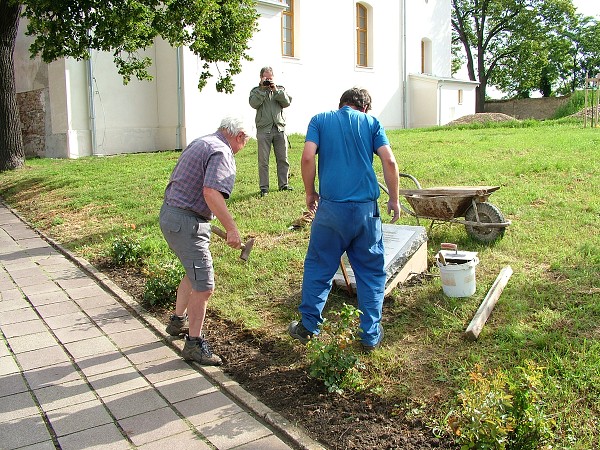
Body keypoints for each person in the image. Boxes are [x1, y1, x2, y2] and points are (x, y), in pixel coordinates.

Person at [288, 88, 400, 351]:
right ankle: (370, 335)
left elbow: (306, 157)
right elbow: (390, 162)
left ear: (341, 105)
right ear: (364, 108)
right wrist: (393, 199)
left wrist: (309, 192)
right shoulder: (372, 123)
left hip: (330, 211)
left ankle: (308, 327)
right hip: (365, 213)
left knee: (319, 266)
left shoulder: (320, 120)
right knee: (371, 272)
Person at [160, 116, 250, 365]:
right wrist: (231, 229)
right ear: (240, 136)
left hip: (171, 215)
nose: (244, 146)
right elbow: (210, 192)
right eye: (246, 141)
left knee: (193, 272)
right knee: (205, 286)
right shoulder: (222, 152)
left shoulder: (204, 142)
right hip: (187, 222)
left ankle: (178, 321)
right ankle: (194, 345)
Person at [249, 66, 293, 196]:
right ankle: (264, 188)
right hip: (264, 130)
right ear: (261, 77)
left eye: (270, 78)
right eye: (265, 78)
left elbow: (286, 102)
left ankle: (283, 184)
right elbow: (253, 104)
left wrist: (275, 91)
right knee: (263, 161)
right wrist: (263, 90)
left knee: (283, 159)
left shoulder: (280, 89)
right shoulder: (255, 91)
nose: (268, 80)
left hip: (279, 129)